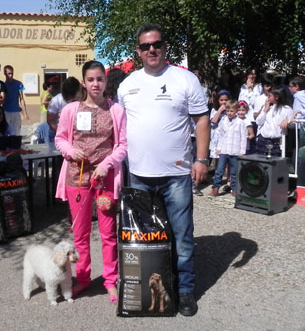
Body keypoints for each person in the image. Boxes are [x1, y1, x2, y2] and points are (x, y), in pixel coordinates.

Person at [117, 23, 210, 317]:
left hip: (177, 175)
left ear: (165, 46)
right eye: (145, 46)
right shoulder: (126, 85)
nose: (151, 50)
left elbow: (202, 120)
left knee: (182, 237)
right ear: (138, 51)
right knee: (145, 238)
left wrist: (202, 159)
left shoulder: (185, 79)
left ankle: (184, 291)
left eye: (156, 44)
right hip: (139, 176)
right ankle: (148, 290)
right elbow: (119, 128)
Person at [55, 60, 127, 304]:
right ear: (84, 82)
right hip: (77, 178)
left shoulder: (116, 110)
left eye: (100, 79)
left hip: (105, 180)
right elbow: (60, 139)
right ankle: (83, 278)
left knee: (108, 234)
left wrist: (107, 165)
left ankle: (110, 280)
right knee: (81, 235)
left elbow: (123, 145)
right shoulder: (70, 110)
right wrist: (70, 151)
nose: (96, 84)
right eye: (91, 79)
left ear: (106, 81)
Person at [210, 100, 246, 196]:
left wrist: (242, 151)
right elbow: (221, 135)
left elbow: (243, 138)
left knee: (233, 172)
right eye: (228, 111)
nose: (229, 113)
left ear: (236, 111)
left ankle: (234, 188)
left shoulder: (240, 122)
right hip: (224, 150)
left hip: (235, 151)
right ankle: (215, 187)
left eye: (232, 111)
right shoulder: (223, 120)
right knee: (220, 170)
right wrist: (219, 148)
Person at [255, 85, 293, 157]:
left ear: (277, 97)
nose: (267, 98)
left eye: (270, 96)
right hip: (264, 140)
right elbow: (258, 122)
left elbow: (293, 125)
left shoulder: (287, 109)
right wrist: (265, 110)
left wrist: (287, 121)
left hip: (278, 142)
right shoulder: (268, 108)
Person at [46, 77, 81, 142]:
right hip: (56, 134)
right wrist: (62, 133)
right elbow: (50, 121)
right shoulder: (56, 101)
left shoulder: (79, 100)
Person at [3, 65, 29, 135]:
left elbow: (21, 99)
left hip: (16, 112)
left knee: (16, 133)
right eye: (8, 73)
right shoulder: (2, 84)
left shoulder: (18, 84)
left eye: (12, 73)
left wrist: (25, 113)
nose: (10, 75)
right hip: (5, 112)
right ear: (4, 73)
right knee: (6, 133)